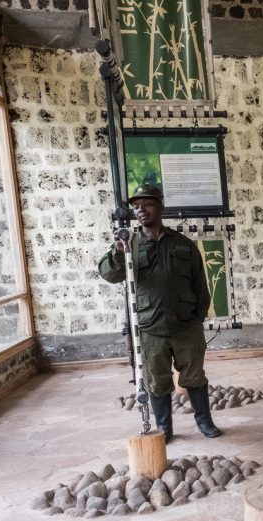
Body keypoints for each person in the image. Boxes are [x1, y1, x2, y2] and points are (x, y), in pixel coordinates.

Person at [98, 184, 222, 441]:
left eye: (148, 204)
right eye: (137, 207)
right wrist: (117, 252)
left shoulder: (183, 245)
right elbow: (110, 275)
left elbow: (201, 284)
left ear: (161, 207)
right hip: (149, 328)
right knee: (157, 380)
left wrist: (197, 318)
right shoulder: (129, 245)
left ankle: (204, 422)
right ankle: (165, 428)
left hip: (186, 326)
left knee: (195, 376)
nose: (141, 210)